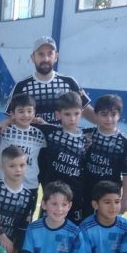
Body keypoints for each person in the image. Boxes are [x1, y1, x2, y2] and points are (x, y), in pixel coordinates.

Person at [40, 91, 90, 223]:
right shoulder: (50, 132)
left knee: (72, 230)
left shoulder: (87, 138)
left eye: (76, 114)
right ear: (58, 114)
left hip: (75, 197)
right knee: (46, 227)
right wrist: (7, 121)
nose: (72, 118)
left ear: (82, 113)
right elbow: (23, 123)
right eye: (67, 114)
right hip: (52, 195)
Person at [83, 95, 127, 217]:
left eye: (113, 114)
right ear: (96, 115)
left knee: (107, 223)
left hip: (110, 194)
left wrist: (125, 200)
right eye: (104, 114)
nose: (109, 119)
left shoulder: (124, 141)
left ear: (119, 116)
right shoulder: (87, 135)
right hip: (86, 191)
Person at [0, 93, 45, 217]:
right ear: (12, 114)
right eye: (21, 111)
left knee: (25, 221)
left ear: (34, 113)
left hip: (30, 186)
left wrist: (43, 123)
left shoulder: (40, 134)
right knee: (1, 220)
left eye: (29, 111)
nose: (26, 115)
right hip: (5, 184)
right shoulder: (4, 131)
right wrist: (7, 121)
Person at [0, 146, 34, 253]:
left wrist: (15, 248)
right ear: (3, 167)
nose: (18, 169)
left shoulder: (28, 196)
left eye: (22, 165)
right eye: (12, 166)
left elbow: (24, 226)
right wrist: (1, 235)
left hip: (11, 246)